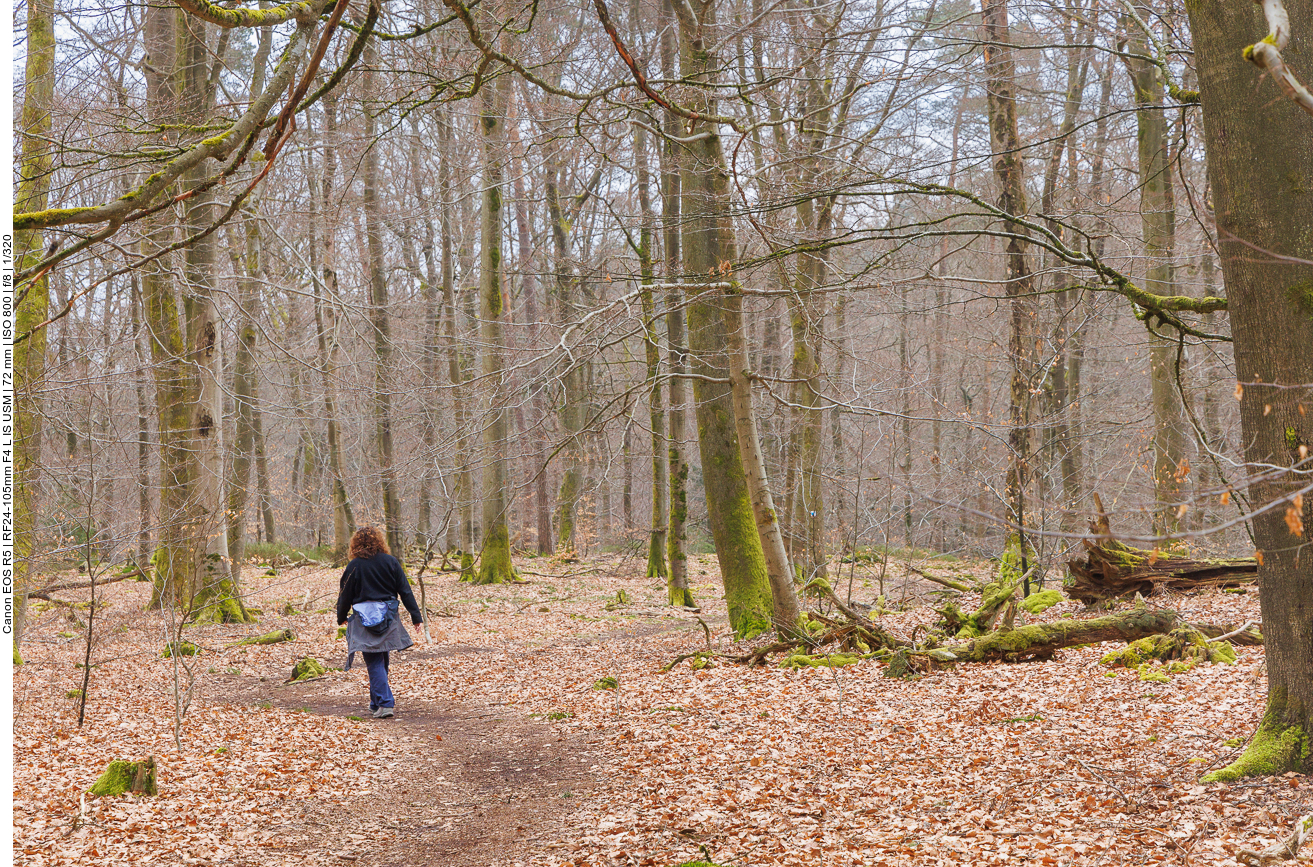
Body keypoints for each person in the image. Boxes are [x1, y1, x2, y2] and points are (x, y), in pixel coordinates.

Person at [335, 527, 425, 718]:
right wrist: (416, 617)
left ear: (356, 545)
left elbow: (345, 595)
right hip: (389, 616)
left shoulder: (354, 566)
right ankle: (376, 702)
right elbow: (405, 590)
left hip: (363, 619)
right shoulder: (390, 562)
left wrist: (341, 616)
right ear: (379, 542)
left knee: (374, 658)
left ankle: (385, 703)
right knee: (381, 657)